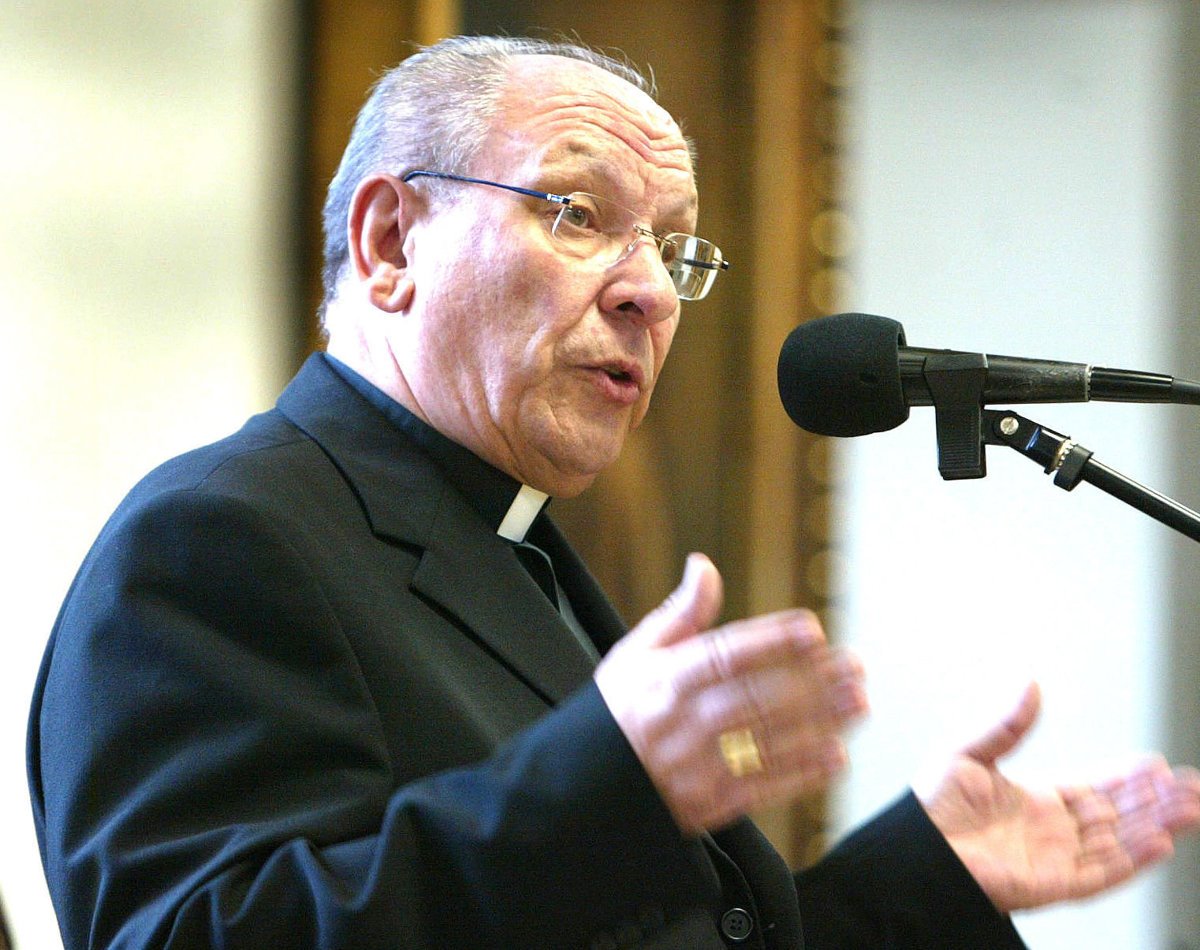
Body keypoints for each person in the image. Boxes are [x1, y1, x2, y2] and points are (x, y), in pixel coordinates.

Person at [27, 34, 1200, 950]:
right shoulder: (219, 540)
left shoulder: (510, 541)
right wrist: (600, 790)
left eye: (675, 249)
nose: (653, 292)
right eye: (578, 213)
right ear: (391, 243)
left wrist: (918, 881)